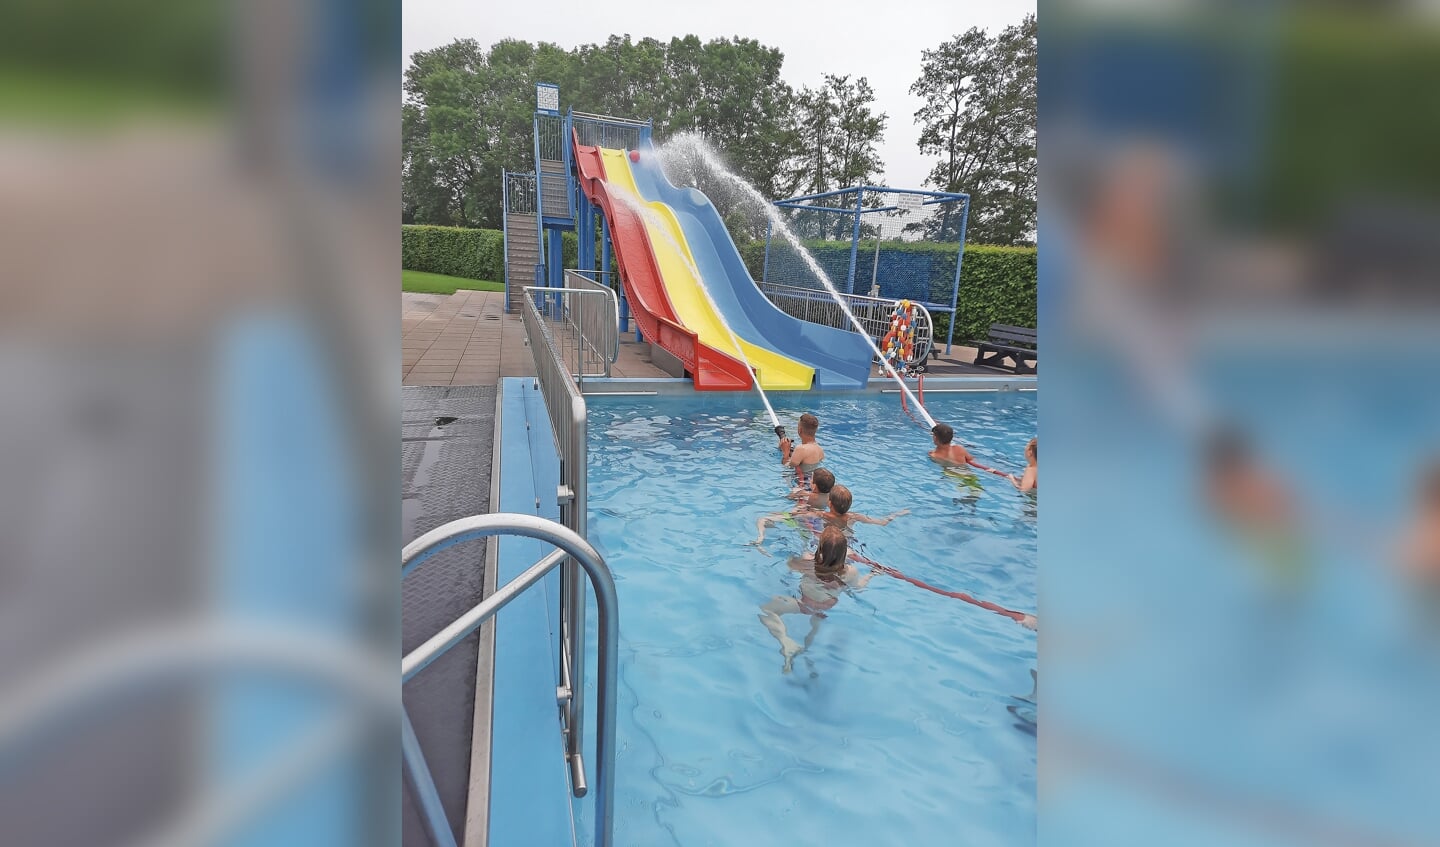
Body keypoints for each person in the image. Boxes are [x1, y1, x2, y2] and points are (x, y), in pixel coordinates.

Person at [757, 526, 875, 673]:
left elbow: (789, 564)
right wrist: (872, 574)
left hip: (803, 604)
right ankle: (806, 653)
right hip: (824, 608)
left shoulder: (808, 562)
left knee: (767, 609)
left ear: (819, 548)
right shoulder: (850, 572)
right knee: (814, 627)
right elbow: (859, 588)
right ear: (844, 552)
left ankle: (786, 642)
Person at [750, 482, 907, 555]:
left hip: (822, 544)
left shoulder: (821, 514)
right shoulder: (854, 517)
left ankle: (760, 539)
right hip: (847, 545)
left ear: (829, 503)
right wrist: (897, 514)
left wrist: (796, 509)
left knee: (763, 519)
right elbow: (882, 522)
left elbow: (795, 516)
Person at [778, 413, 825, 489]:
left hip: (801, 484)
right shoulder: (820, 450)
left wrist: (786, 452)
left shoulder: (800, 449)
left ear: (800, 430)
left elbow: (788, 466)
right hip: (814, 483)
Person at [928, 423, 997, 474]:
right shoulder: (959, 449)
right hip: (969, 475)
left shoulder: (933, 455)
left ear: (935, 438)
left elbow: (943, 468)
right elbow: (971, 459)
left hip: (953, 477)